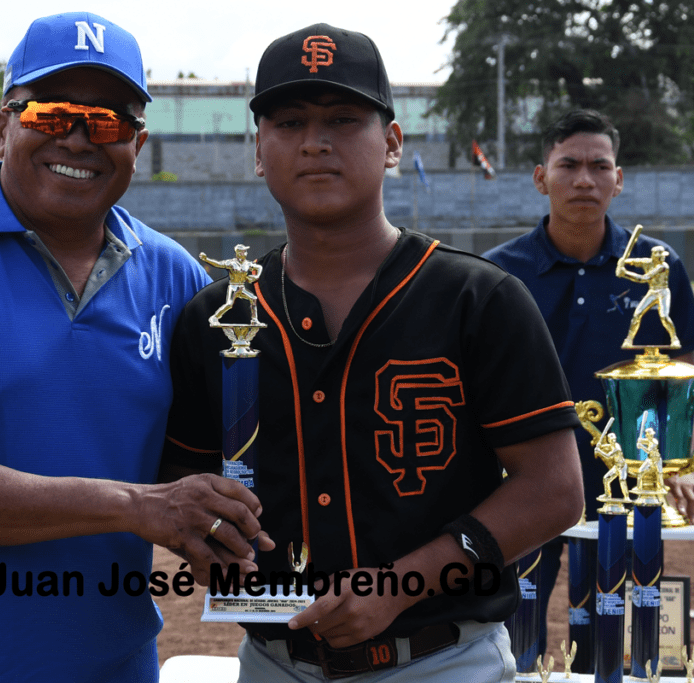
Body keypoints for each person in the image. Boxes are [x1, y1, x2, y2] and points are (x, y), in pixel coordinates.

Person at [0, 12, 266, 682]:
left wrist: (247, 540)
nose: (78, 136)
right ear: (0, 128)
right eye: (51, 112)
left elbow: (205, 467)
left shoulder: (175, 275)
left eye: (107, 122)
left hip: (116, 663)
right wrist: (139, 507)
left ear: (138, 143)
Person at [160, 24, 584, 682]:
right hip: (274, 662)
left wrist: (400, 584)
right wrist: (206, 541)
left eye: (343, 118)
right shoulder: (215, 317)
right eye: (289, 122)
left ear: (391, 142)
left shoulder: (479, 297)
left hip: (444, 661)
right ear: (258, 150)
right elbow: (184, 488)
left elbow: (555, 490)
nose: (315, 141)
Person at [483, 109, 694, 657]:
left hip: (624, 477)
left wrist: (679, 463)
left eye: (599, 167)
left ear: (618, 180)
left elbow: (683, 369)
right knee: (515, 626)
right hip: (522, 477)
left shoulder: (659, 265)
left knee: (612, 627)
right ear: (541, 177)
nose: (584, 180)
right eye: (568, 165)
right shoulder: (497, 274)